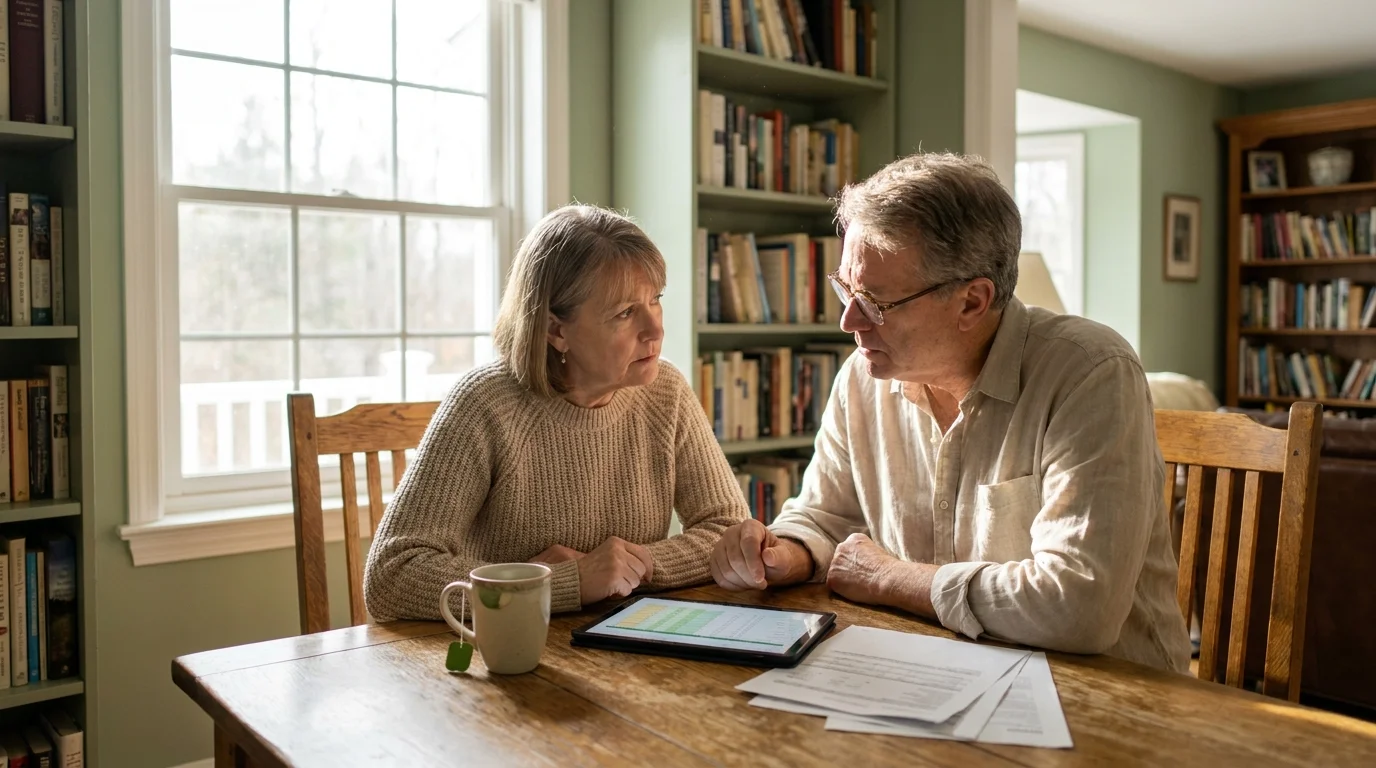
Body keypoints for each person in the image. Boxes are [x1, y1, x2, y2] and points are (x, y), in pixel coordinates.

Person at [708, 152, 1191, 673]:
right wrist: (786, 554)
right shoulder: (862, 378)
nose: (849, 321)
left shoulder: (1090, 372)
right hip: (933, 671)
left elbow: (1077, 607)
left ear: (972, 302)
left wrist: (890, 578)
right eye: (845, 288)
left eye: (874, 301)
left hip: (1111, 693)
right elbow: (826, 516)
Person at [366, 204, 748, 621]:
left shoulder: (666, 391)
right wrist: (558, 582)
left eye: (654, 300)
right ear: (555, 331)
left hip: (627, 647)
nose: (655, 329)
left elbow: (728, 531)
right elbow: (391, 575)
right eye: (624, 312)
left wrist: (636, 566)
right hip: (505, 655)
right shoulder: (485, 404)